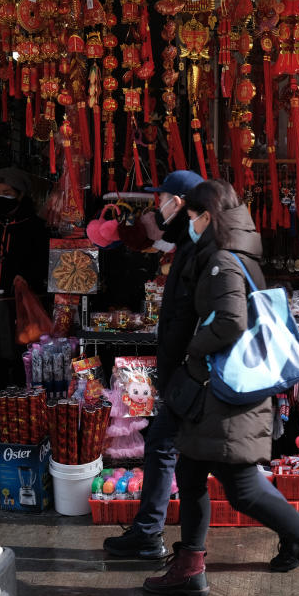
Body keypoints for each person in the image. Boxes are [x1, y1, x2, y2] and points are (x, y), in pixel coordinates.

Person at [142, 180, 299, 596]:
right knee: (189, 472)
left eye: (191, 217)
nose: (188, 224)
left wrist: (191, 353)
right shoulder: (233, 255)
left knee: (242, 487)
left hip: (225, 393)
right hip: (221, 391)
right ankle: (189, 567)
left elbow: (229, 322)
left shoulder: (222, 260)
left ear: (208, 216)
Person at [103, 170, 204, 560]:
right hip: (185, 370)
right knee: (166, 447)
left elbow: (197, 315)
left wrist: (182, 363)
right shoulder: (185, 243)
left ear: (177, 202)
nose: (155, 207)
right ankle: (151, 535)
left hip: (193, 373)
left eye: (160, 199)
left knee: (235, 476)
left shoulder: (201, 248)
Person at [0, 167, 49, 393]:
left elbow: (42, 259)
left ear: (20, 194)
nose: (0, 196)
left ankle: (22, 399)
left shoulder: (33, 225)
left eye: (6, 192)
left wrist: (26, 275)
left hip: (19, 302)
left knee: (20, 352)